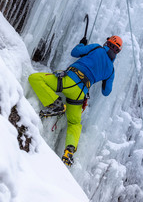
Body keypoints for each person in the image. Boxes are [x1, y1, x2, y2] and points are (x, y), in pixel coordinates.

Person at [28, 35, 123, 166]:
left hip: (69, 80)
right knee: (75, 123)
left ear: (107, 42)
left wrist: (82, 44)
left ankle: (55, 104)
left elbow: (75, 52)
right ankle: (69, 151)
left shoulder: (97, 47)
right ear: (117, 52)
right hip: (80, 93)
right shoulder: (111, 70)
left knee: (35, 78)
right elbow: (106, 92)